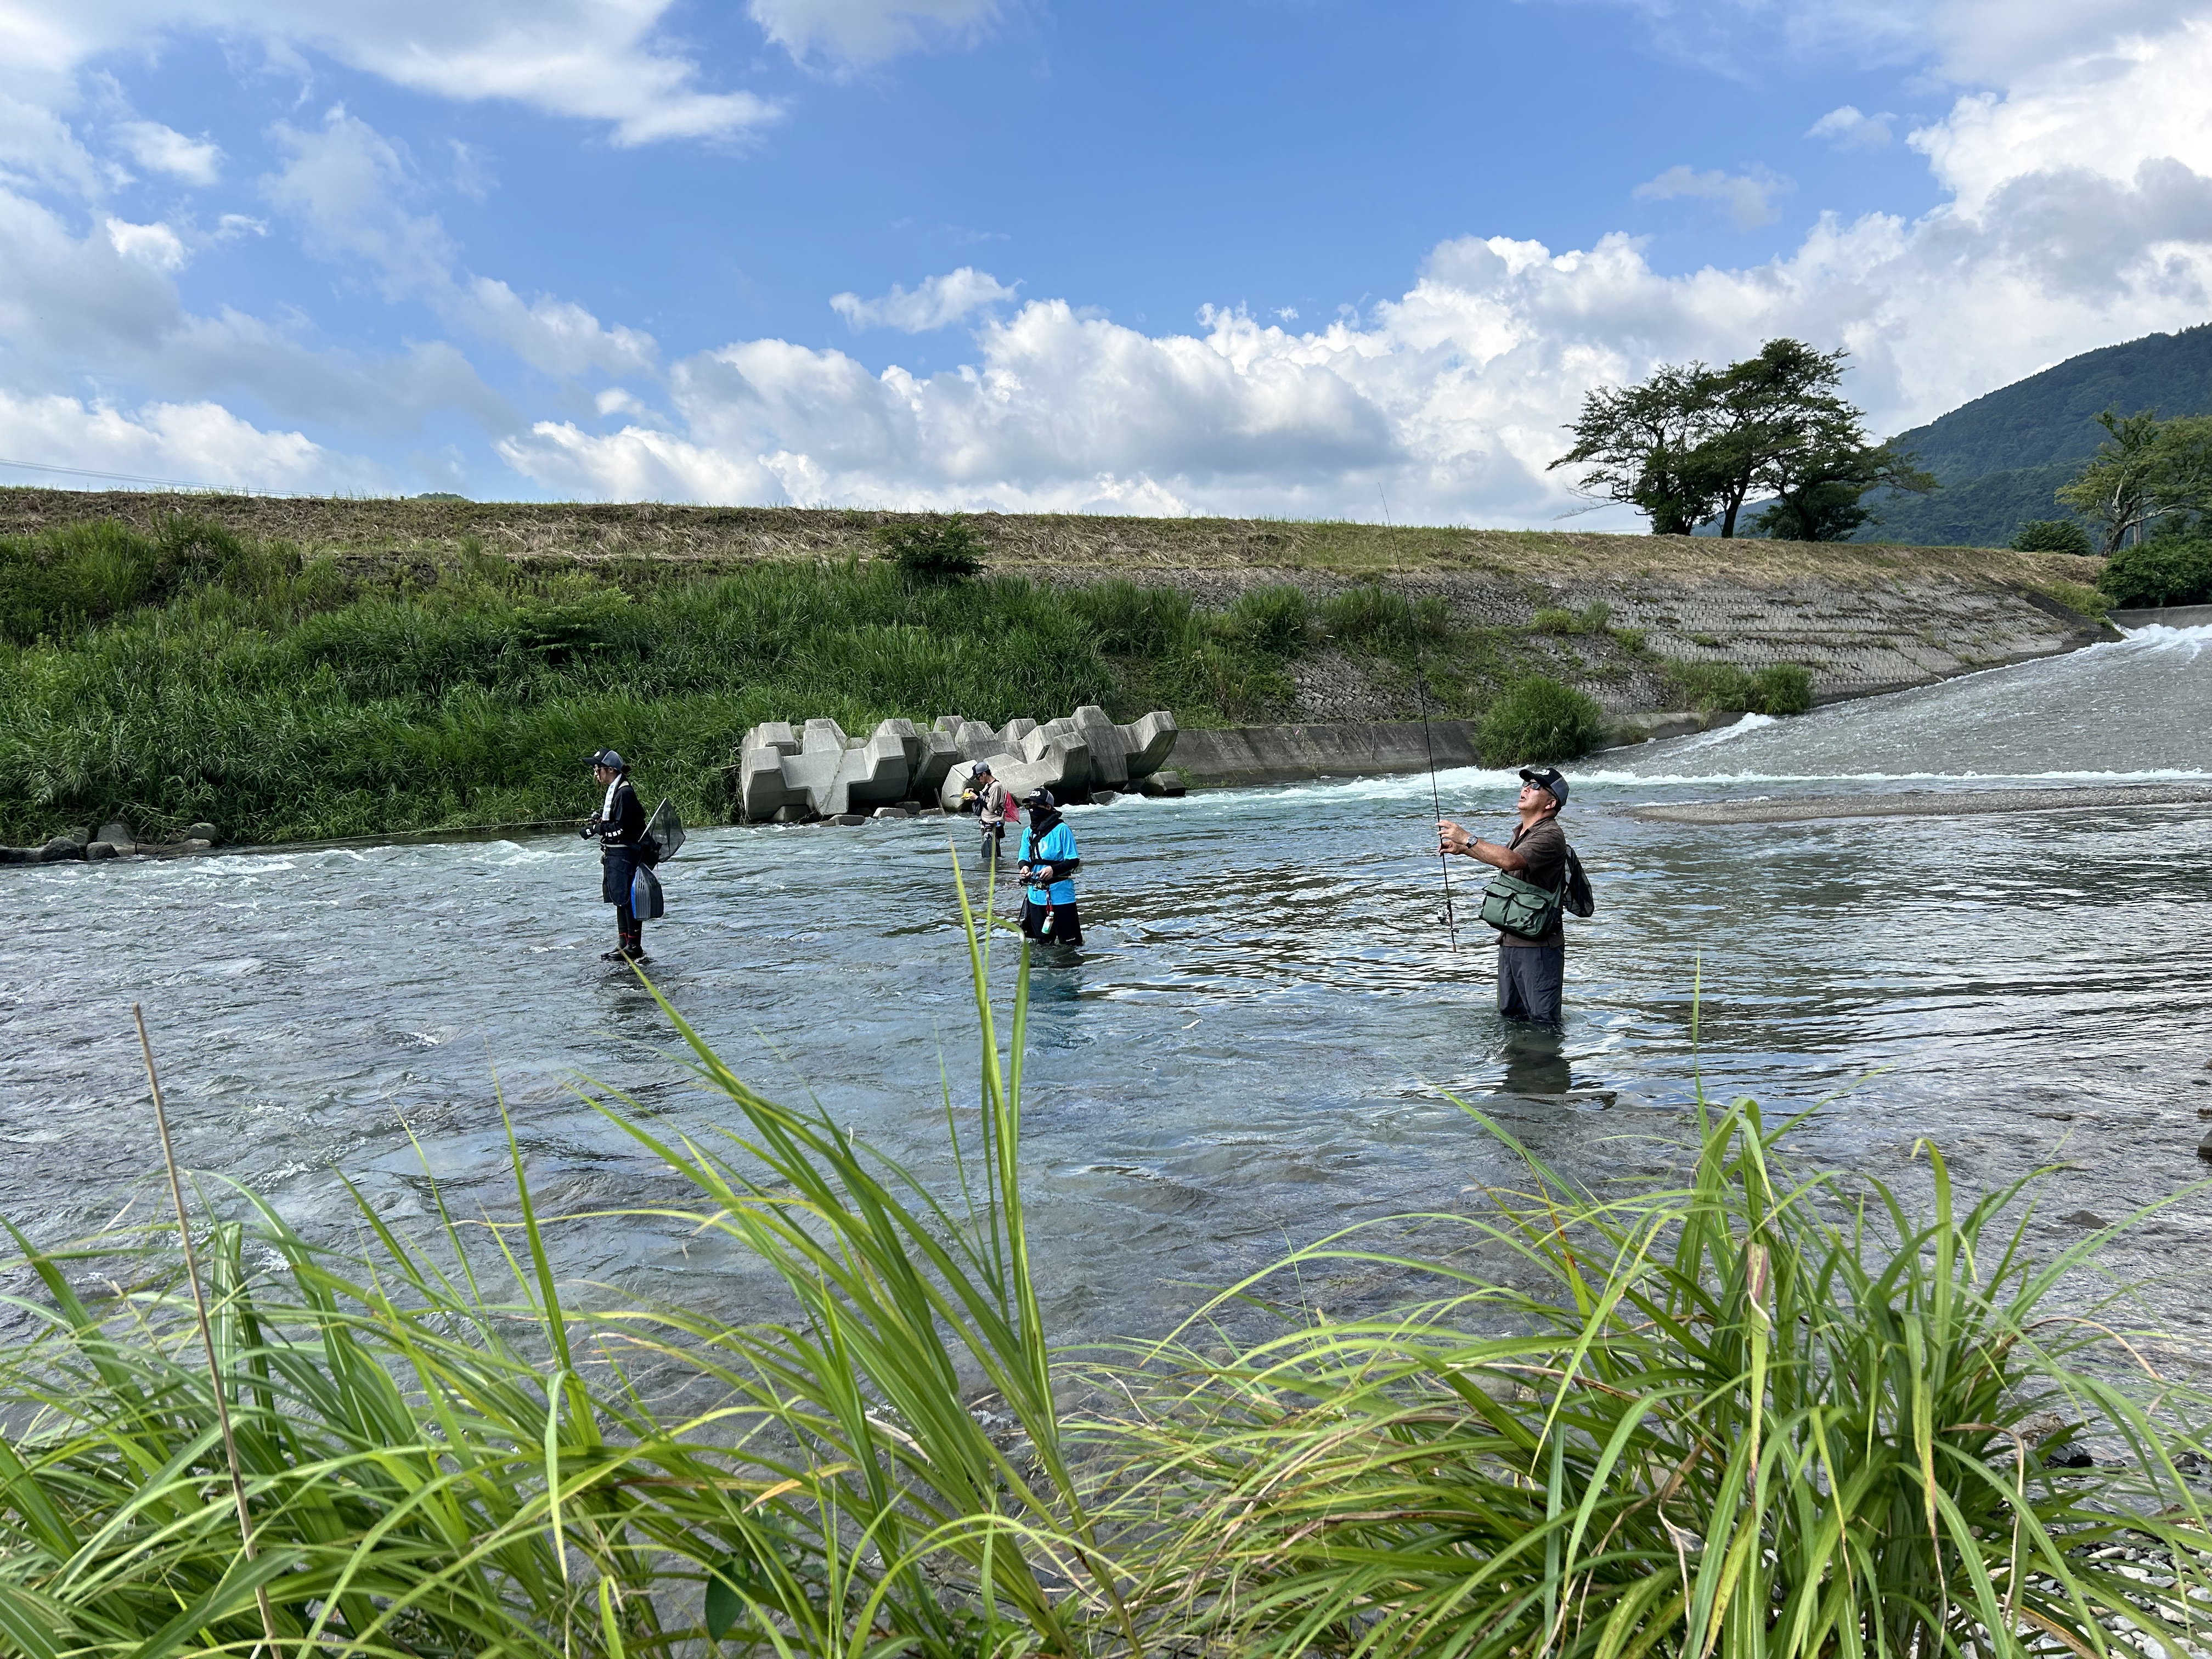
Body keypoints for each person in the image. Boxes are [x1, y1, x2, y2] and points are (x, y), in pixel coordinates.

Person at [1439, 766, 1571, 1024]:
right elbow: (1505, 861)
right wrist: (1463, 849)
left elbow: (1510, 861)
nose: (1526, 789)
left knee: (1543, 1024)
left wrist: (1467, 838)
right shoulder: (1522, 831)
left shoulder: (1550, 835)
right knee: (1511, 1018)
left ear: (1551, 803)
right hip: (1511, 939)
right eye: (1526, 784)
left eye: (1536, 786)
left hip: (1538, 948)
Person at [583, 748, 649, 961]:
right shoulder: (616, 790)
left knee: (628, 899)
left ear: (611, 769)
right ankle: (623, 943)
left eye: (598, 768)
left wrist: (595, 829)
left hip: (625, 855)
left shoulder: (625, 793)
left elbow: (620, 829)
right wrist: (600, 822)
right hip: (615, 856)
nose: (596, 773)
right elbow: (616, 822)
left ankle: (634, 946)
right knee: (619, 898)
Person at [1015, 788, 1083, 946]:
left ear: (1048, 807)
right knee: (1043, 944)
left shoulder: (1062, 830)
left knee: (1071, 945)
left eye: (1036, 805)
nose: (1032, 809)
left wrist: (1053, 870)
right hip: (1035, 897)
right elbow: (1023, 858)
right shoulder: (1027, 833)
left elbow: (1073, 860)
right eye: (1029, 806)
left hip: (1062, 896)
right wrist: (1024, 868)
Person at [959, 761, 1015, 869]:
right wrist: (974, 792)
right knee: (989, 858)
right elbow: (984, 796)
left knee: (990, 861)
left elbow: (991, 807)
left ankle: (995, 877)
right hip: (986, 827)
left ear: (984, 774)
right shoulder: (988, 786)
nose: (978, 780)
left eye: (978, 777)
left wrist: (976, 798)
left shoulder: (997, 787)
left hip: (992, 828)